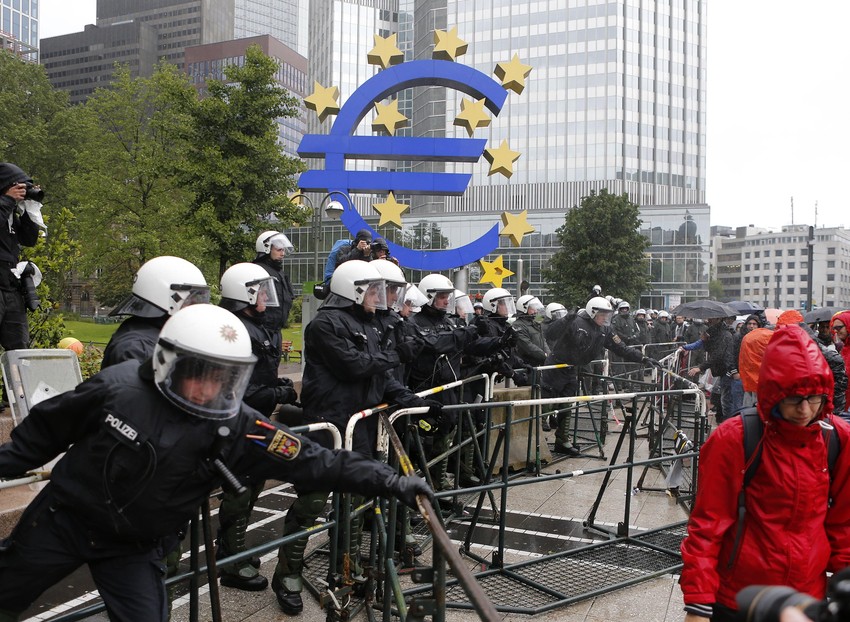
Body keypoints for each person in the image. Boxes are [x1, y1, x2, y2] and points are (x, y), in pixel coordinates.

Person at [0, 304, 431, 621]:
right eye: (201, 373)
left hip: (133, 547)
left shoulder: (241, 426)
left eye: (225, 377)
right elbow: (45, 429)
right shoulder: (117, 389)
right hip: (62, 521)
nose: (211, 388)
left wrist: (390, 481)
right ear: (169, 362)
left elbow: (315, 460)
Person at [271, 261, 441, 615]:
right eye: (373, 291)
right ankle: (287, 574)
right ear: (353, 290)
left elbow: (380, 378)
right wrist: (397, 353)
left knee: (356, 499)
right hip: (328, 424)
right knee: (312, 502)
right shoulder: (325, 324)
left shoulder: (369, 324)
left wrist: (411, 400)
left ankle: (346, 567)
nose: (379, 297)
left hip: (358, 424)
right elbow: (355, 366)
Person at [680, 324, 850, 622]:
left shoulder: (837, 438)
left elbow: (844, 525)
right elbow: (707, 525)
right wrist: (698, 603)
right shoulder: (734, 437)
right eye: (794, 398)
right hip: (738, 598)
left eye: (814, 397)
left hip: (806, 598)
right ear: (773, 393)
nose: (805, 410)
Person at [215, 263, 299, 591]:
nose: (266, 296)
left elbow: (258, 375)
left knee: (253, 485)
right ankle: (231, 562)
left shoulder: (255, 326)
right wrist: (278, 393)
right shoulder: (233, 329)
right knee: (240, 489)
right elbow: (240, 388)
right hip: (237, 422)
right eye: (260, 291)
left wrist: (276, 385)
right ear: (244, 294)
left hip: (256, 418)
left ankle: (232, 550)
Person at [543, 297, 661, 455]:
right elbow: (550, 334)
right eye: (602, 314)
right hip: (555, 368)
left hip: (572, 369)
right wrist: (565, 320)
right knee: (545, 404)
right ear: (592, 312)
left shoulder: (605, 330)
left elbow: (621, 348)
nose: (605, 318)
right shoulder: (575, 322)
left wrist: (643, 358)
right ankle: (535, 442)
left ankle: (562, 440)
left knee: (567, 405)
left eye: (607, 314)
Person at [102, 256, 210, 368]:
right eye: (191, 300)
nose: (195, 307)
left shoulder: (162, 333)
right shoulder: (136, 348)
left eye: (200, 298)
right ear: (167, 297)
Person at [0, 163, 43, 351]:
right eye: (18, 186)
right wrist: (7, 200)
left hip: (11, 287)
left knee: (19, 348)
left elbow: (29, 239)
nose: (22, 191)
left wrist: (29, 208)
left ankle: (17, 372)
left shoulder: (11, 213)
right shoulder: (5, 206)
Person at [686, 317, 736, 423]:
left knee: (727, 400)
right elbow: (709, 349)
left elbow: (718, 355)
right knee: (721, 396)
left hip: (728, 370)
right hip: (722, 370)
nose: (709, 321)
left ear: (718, 319)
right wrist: (705, 340)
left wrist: (700, 367)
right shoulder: (714, 333)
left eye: (712, 319)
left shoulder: (724, 335)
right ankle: (723, 420)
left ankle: (728, 424)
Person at [253, 230, 296, 343]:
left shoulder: (280, 273)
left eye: (283, 250)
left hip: (276, 332)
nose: (282, 254)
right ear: (267, 249)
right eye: (279, 250)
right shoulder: (258, 271)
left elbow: (288, 298)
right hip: (262, 330)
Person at [513, 295, 549, 368]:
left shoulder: (535, 323)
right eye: (532, 308)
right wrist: (545, 356)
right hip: (526, 366)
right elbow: (528, 346)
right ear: (524, 309)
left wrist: (549, 355)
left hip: (539, 364)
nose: (535, 311)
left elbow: (543, 341)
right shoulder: (518, 325)